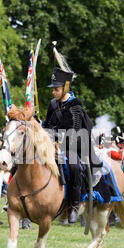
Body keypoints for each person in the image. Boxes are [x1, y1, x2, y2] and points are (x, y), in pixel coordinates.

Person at [43, 66, 99, 224]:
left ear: (65, 87)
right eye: (53, 89)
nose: (54, 92)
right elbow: (48, 124)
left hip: (72, 145)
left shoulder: (75, 104)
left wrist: (56, 140)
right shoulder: (53, 104)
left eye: (57, 89)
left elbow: (73, 130)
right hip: (51, 143)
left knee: (74, 166)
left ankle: (74, 205)